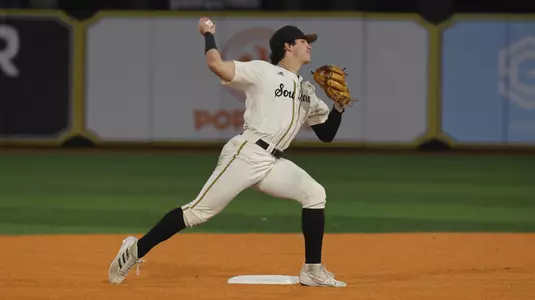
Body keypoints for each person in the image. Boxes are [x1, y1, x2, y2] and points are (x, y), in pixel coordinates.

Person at [107, 17, 347, 288]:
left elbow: (326, 134)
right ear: (288, 46)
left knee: (314, 194)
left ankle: (312, 270)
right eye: (304, 41)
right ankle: (134, 251)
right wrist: (208, 34)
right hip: (246, 154)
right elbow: (216, 65)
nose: (309, 46)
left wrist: (338, 107)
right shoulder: (263, 72)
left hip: (273, 161)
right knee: (197, 213)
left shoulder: (308, 91)